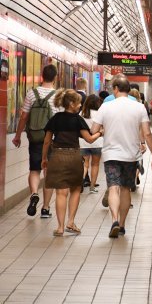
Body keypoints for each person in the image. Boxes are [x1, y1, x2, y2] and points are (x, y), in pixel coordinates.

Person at [91, 74, 152, 238]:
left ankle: (114, 219)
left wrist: (103, 130)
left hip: (111, 155)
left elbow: (94, 130)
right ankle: (121, 225)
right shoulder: (139, 107)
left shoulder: (106, 107)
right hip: (131, 155)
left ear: (115, 89)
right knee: (125, 189)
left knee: (113, 187)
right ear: (128, 90)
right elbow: (147, 134)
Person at [41, 89, 101, 236]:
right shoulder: (77, 119)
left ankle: (60, 227)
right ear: (72, 104)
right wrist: (101, 133)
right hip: (74, 156)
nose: (81, 105)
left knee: (61, 192)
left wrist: (44, 159)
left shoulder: (55, 118)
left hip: (57, 156)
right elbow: (89, 139)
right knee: (75, 189)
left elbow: (47, 141)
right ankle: (71, 222)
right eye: (79, 102)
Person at [12, 64, 59, 218]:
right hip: (52, 139)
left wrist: (18, 135)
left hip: (35, 137)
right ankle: (45, 209)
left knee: (34, 169)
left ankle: (33, 194)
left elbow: (24, 116)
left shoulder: (31, 93)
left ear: (41, 76)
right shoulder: (58, 96)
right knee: (49, 173)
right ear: (55, 77)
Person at [80, 94, 103, 194]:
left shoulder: (82, 113)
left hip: (83, 142)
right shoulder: (100, 114)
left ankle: (81, 180)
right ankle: (92, 187)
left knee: (85, 164)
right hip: (97, 142)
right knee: (95, 164)